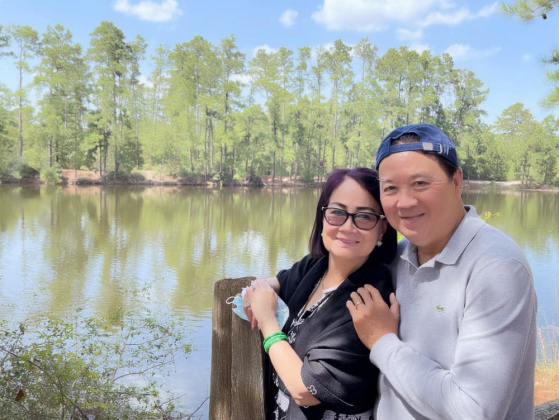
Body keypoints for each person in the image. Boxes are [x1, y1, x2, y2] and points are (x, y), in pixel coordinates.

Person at [347, 123, 537, 420]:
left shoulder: (496, 267)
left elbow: (473, 411)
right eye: (390, 188)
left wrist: (382, 341)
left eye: (420, 183)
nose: (405, 202)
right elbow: (328, 273)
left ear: (457, 181)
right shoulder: (396, 257)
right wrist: (274, 287)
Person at [243, 168, 397, 420]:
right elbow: (277, 283)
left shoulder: (369, 301)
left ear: (382, 229)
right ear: (322, 217)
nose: (347, 227)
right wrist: (255, 291)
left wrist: (268, 321)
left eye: (364, 216)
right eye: (337, 213)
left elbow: (304, 390)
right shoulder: (316, 267)